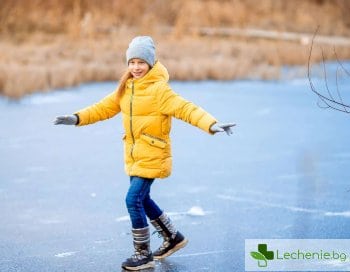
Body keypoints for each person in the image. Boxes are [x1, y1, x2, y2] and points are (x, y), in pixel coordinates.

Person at [54, 36, 235, 271]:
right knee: (143, 199)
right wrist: (76, 118)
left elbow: (186, 108)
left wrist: (211, 124)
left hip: (152, 154)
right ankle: (173, 237)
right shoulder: (126, 88)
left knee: (133, 200)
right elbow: (102, 108)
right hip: (134, 154)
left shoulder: (159, 89)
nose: (136, 67)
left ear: (151, 63)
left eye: (141, 62)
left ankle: (143, 254)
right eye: (132, 62)